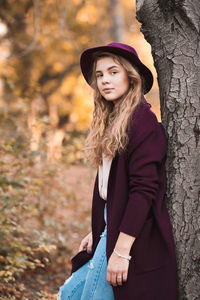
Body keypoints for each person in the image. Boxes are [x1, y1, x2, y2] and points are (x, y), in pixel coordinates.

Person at [57, 42, 178, 300]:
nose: (104, 80)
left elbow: (143, 191)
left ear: (130, 76)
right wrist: (98, 230)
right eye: (99, 75)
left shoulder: (142, 121)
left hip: (135, 230)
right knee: (69, 293)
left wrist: (121, 251)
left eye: (113, 72)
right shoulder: (114, 120)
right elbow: (110, 189)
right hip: (110, 223)